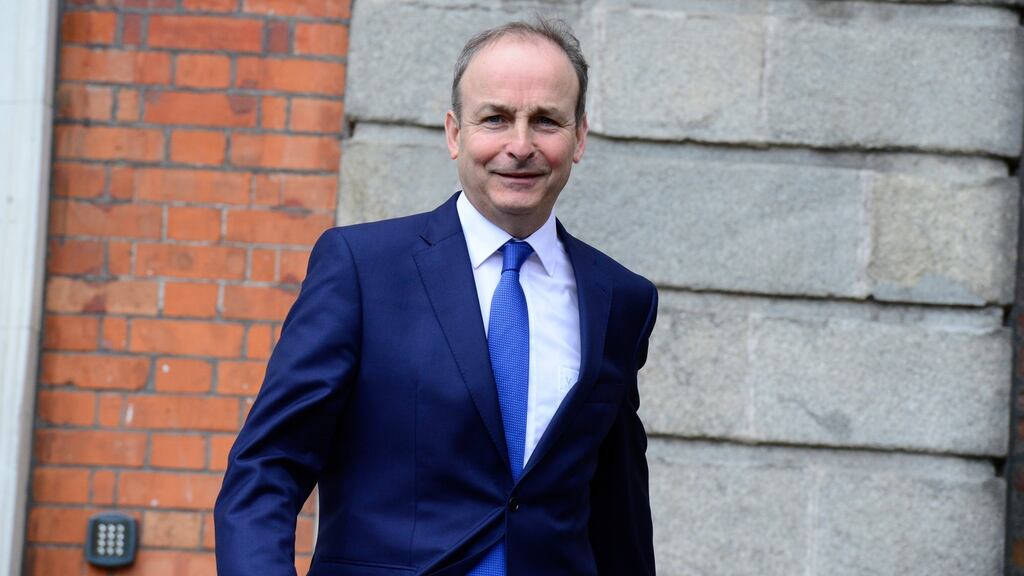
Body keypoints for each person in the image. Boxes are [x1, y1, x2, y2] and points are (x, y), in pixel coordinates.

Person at [214, 18, 658, 576]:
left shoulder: (620, 298)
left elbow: (620, 520)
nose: (520, 146)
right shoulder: (362, 270)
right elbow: (267, 470)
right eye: (495, 118)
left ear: (579, 138)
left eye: (545, 121)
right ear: (454, 133)